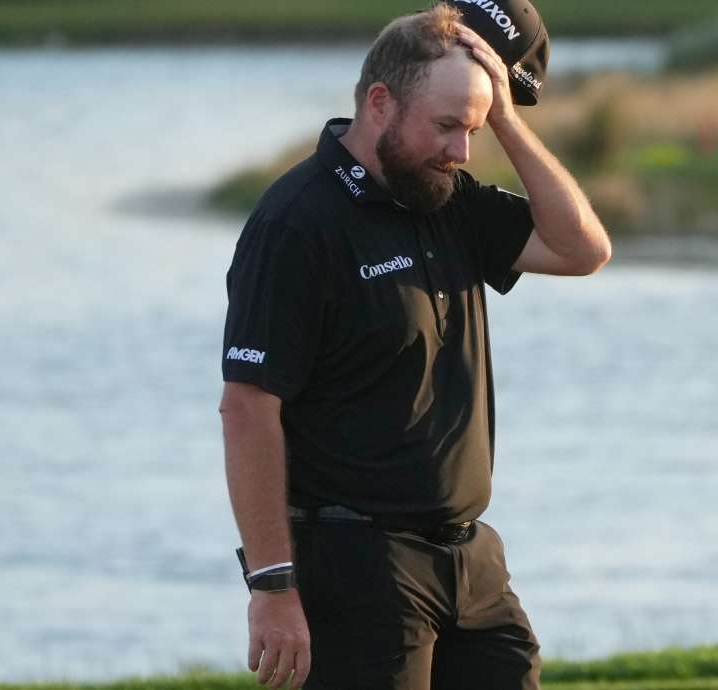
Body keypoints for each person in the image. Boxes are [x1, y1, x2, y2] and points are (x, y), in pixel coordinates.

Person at [218, 2, 610, 688]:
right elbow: (248, 408)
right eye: (447, 126)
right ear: (380, 103)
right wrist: (273, 586)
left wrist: (506, 120)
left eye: (474, 130)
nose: (462, 151)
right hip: (355, 565)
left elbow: (582, 250)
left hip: (471, 562)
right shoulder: (296, 223)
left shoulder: (446, 198)